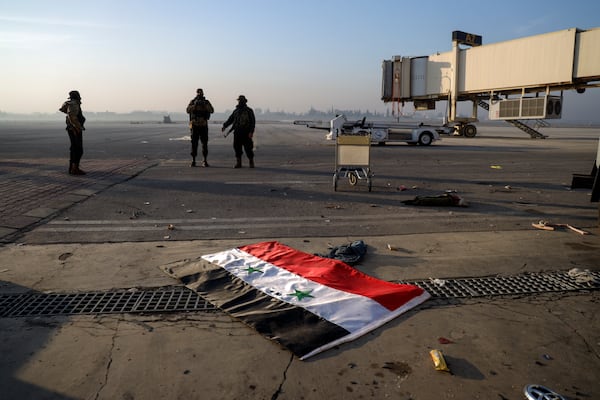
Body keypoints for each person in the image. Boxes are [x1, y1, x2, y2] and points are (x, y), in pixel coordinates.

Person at [222, 95, 256, 168]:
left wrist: (251, 132)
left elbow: (253, 122)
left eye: (241, 100)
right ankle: (239, 163)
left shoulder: (249, 110)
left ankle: (251, 162)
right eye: (239, 100)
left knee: (248, 148)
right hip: (237, 132)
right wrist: (225, 126)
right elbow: (230, 120)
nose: (240, 102)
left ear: (244, 101)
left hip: (246, 133)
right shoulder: (236, 111)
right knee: (237, 148)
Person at [59, 90, 86, 175]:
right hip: (74, 129)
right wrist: (77, 127)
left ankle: (72, 168)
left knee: (74, 148)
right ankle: (74, 168)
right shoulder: (74, 104)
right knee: (78, 149)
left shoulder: (70, 103)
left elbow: (66, 112)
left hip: (71, 128)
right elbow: (72, 116)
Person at [186, 88, 214, 167]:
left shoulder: (206, 102)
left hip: (203, 125)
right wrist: (195, 105)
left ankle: (204, 160)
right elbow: (188, 110)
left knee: (204, 143)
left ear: (203, 93)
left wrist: (204, 105)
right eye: (198, 93)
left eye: (200, 93)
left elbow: (212, 110)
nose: (199, 94)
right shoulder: (193, 102)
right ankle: (193, 160)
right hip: (195, 125)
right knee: (194, 143)